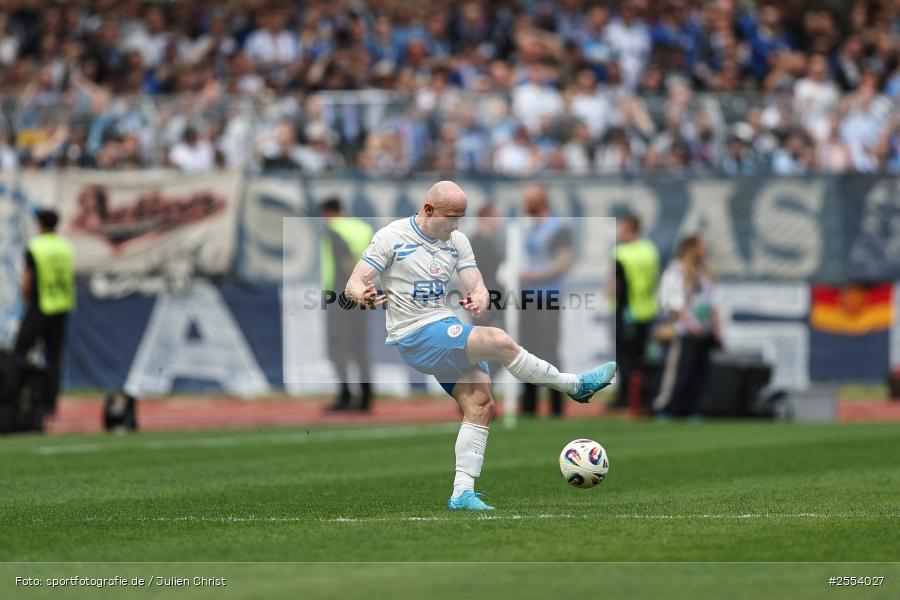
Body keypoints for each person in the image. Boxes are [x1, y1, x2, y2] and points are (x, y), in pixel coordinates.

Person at [345, 181, 617, 511]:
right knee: (499, 341)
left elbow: (478, 286)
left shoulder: (457, 241)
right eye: (452, 217)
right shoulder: (392, 237)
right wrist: (364, 295)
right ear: (429, 210)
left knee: (481, 404)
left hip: (442, 324)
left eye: (462, 217)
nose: (457, 225)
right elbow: (353, 284)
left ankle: (462, 493)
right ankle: (574, 385)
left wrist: (478, 297)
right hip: (413, 333)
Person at [652, 235, 723, 418]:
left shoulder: (703, 272)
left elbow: (713, 303)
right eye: (701, 247)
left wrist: (717, 328)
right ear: (691, 249)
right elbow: (674, 304)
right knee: (680, 372)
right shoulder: (676, 270)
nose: (705, 251)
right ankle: (668, 408)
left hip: (704, 331)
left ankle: (694, 408)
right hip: (684, 331)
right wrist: (691, 325)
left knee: (699, 374)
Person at [518, 183, 573, 417]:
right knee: (525, 351)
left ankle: (556, 406)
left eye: (528, 198)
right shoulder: (527, 228)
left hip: (548, 296)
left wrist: (535, 275)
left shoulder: (557, 228)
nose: (523, 203)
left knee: (549, 350)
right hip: (526, 296)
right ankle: (529, 406)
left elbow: (564, 263)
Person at [14, 208, 75, 412]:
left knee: (20, 352)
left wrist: (26, 304)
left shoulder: (36, 246)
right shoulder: (65, 247)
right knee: (54, 357)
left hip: (41, 305)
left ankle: (14, 398)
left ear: (40, 224)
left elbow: (28, 281)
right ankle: (49, 403)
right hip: (62, 307)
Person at [319, 197, 375, 412]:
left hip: (340, 294)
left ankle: (345, 394)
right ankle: (366, 397)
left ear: (329, 212)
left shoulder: (335, 230)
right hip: (363, 293)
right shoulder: (363, 228)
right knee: (360, 346)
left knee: (337, 348)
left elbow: (346, 261)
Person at [612, 213, 660, 410]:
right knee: (643, 357)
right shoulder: (650, 250)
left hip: (626, 309)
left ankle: (625, 398)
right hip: (647, 309)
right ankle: (644, 397)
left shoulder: (621, 252)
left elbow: (616, 283)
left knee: (624, 357)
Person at [466, 205, 504, 377]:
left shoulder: (488, 241)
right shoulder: (479, 242)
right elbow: (470, 277)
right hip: (485, 303)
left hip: (491, 301)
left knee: (492, 354)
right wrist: (479, 303)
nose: (500, 221)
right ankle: (474, 395)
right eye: (496, 216)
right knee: (488, 354)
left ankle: (477, 395)